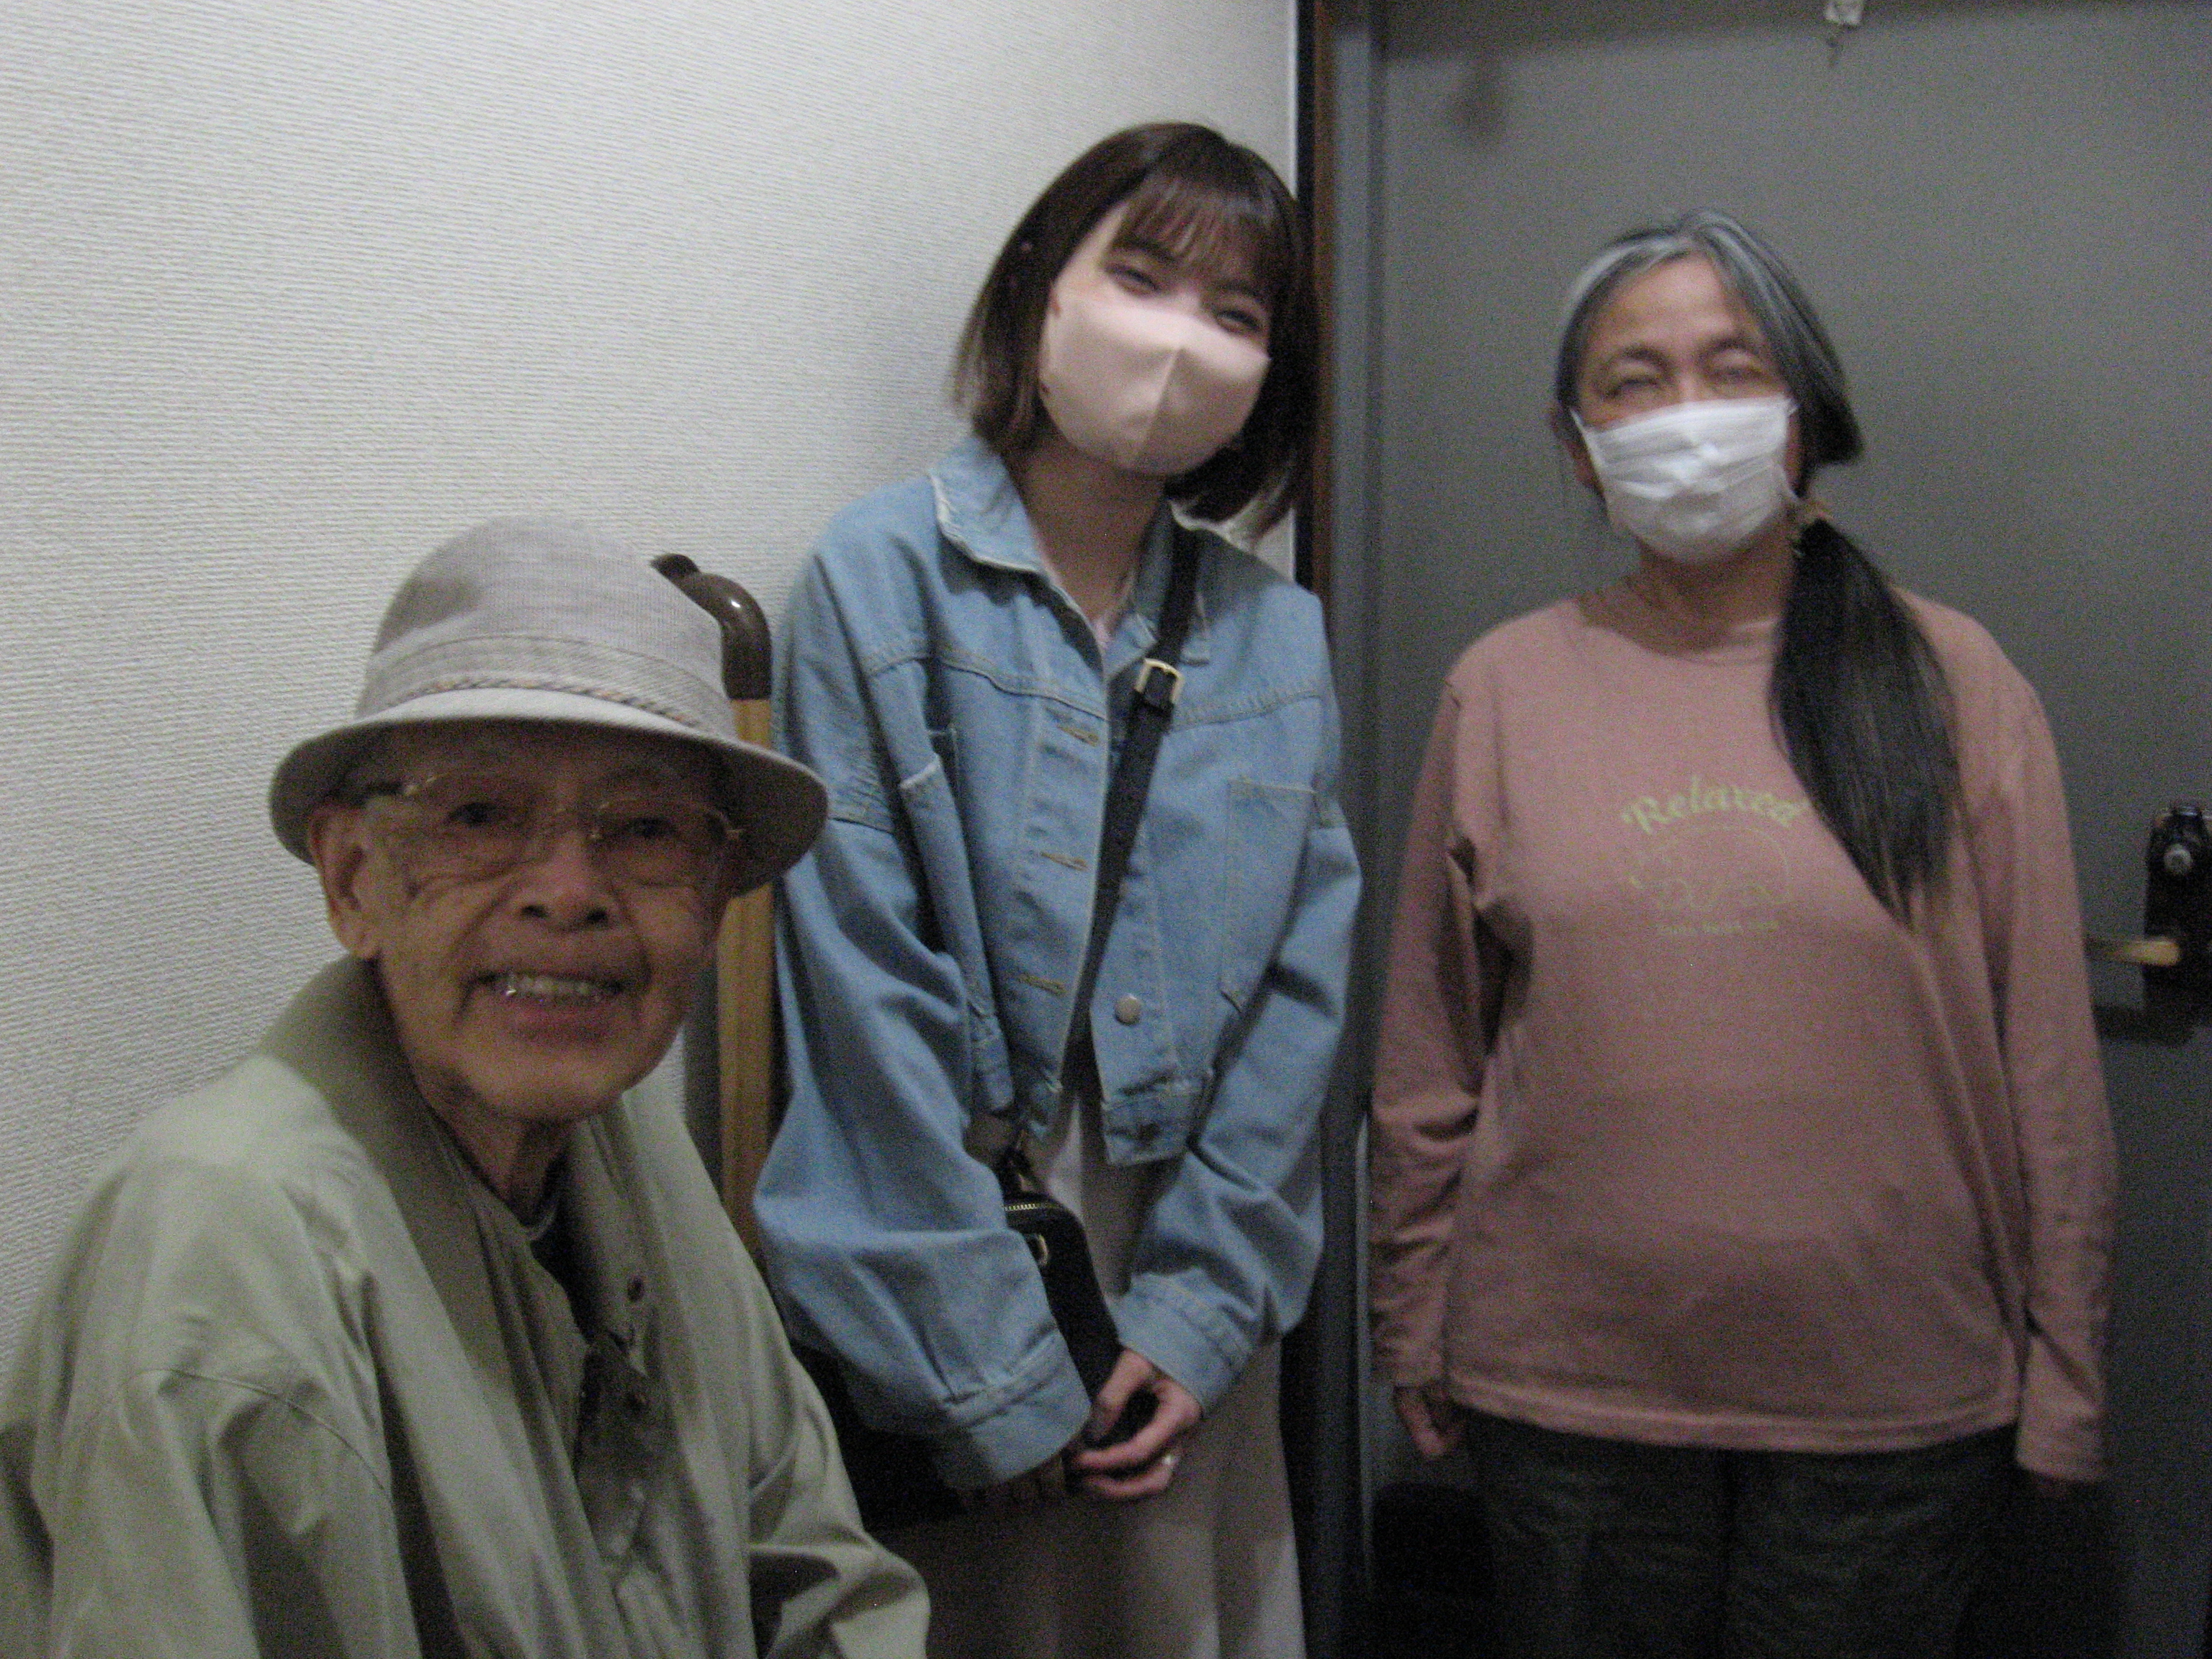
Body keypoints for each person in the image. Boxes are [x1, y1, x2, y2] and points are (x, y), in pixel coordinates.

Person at [1369, 211, 2115, 1658]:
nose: (1687, 410)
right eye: (1634, 380)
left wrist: (2070, 1370)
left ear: (1802, 415)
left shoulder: (1954, 680)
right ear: (1577, 443)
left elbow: (2050, 1071)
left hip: (1892, 1404)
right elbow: (1427, 1058)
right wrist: (1413, 1316)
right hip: (1570, 1396)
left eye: (1732, 366)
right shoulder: (1505, 688)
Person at [0, 521, 929, 1658]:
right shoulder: (223, 1251)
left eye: (646, 829)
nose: (569, 893)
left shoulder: (620, 1134)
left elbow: (823, 1581)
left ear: (717, 891)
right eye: (480, 815)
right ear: (353, 878)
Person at [755, 123, 1359, 1658]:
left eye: (1236, 313)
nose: (1180, 340)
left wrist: (1198, 1313)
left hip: (1187, 1263)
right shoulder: (876, 578)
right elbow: (860, 1001)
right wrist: (987, 1370)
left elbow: (1298, 1006)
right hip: (942, 1247)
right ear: (1041, 288)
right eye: (1141, 277)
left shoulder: (1276, 635)